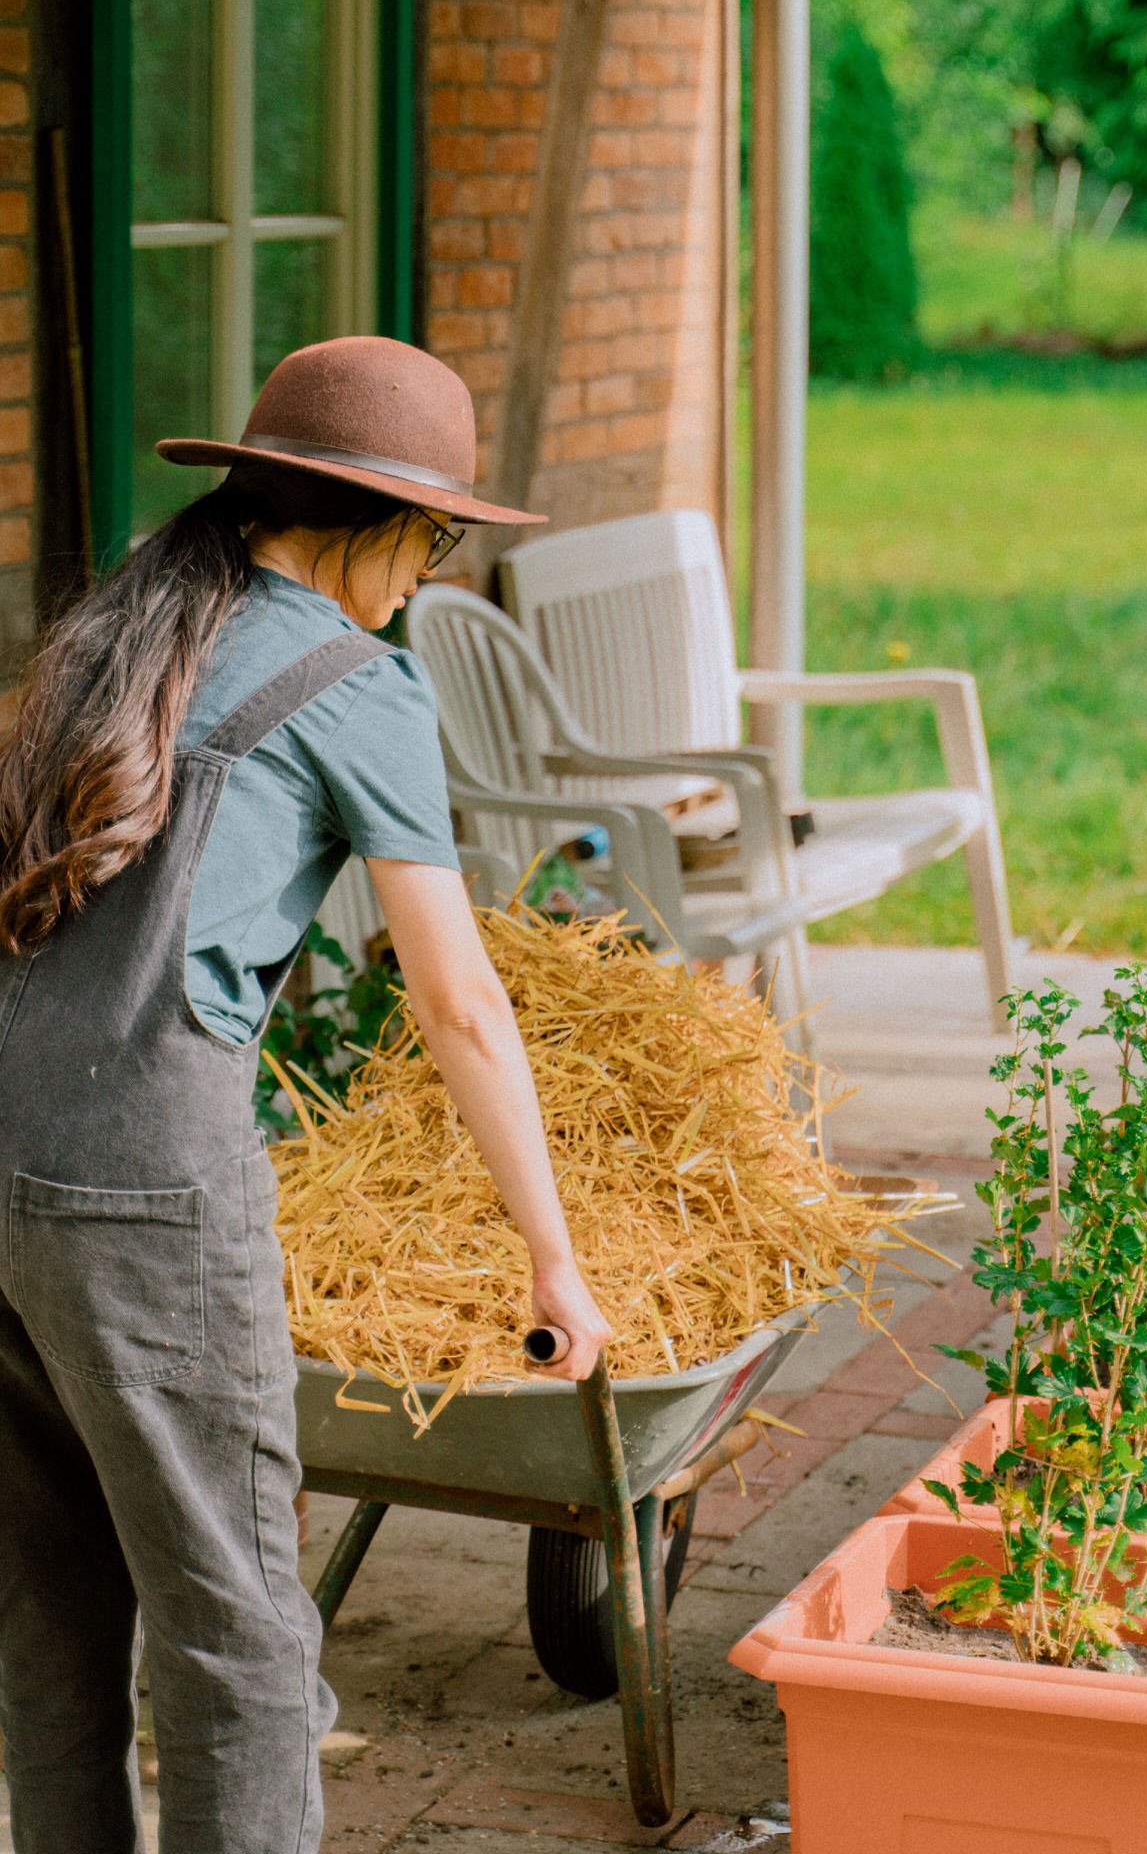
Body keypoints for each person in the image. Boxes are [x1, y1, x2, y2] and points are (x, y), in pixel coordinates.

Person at [0, 335, 613, 1854]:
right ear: (376, 521)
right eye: (440, 537)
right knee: (241, 1642)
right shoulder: (358, 683)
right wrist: (553, 1252)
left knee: (49, 1619)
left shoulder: (119, 635)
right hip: (148, 1182)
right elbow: (460, 1000)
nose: (435, 570)